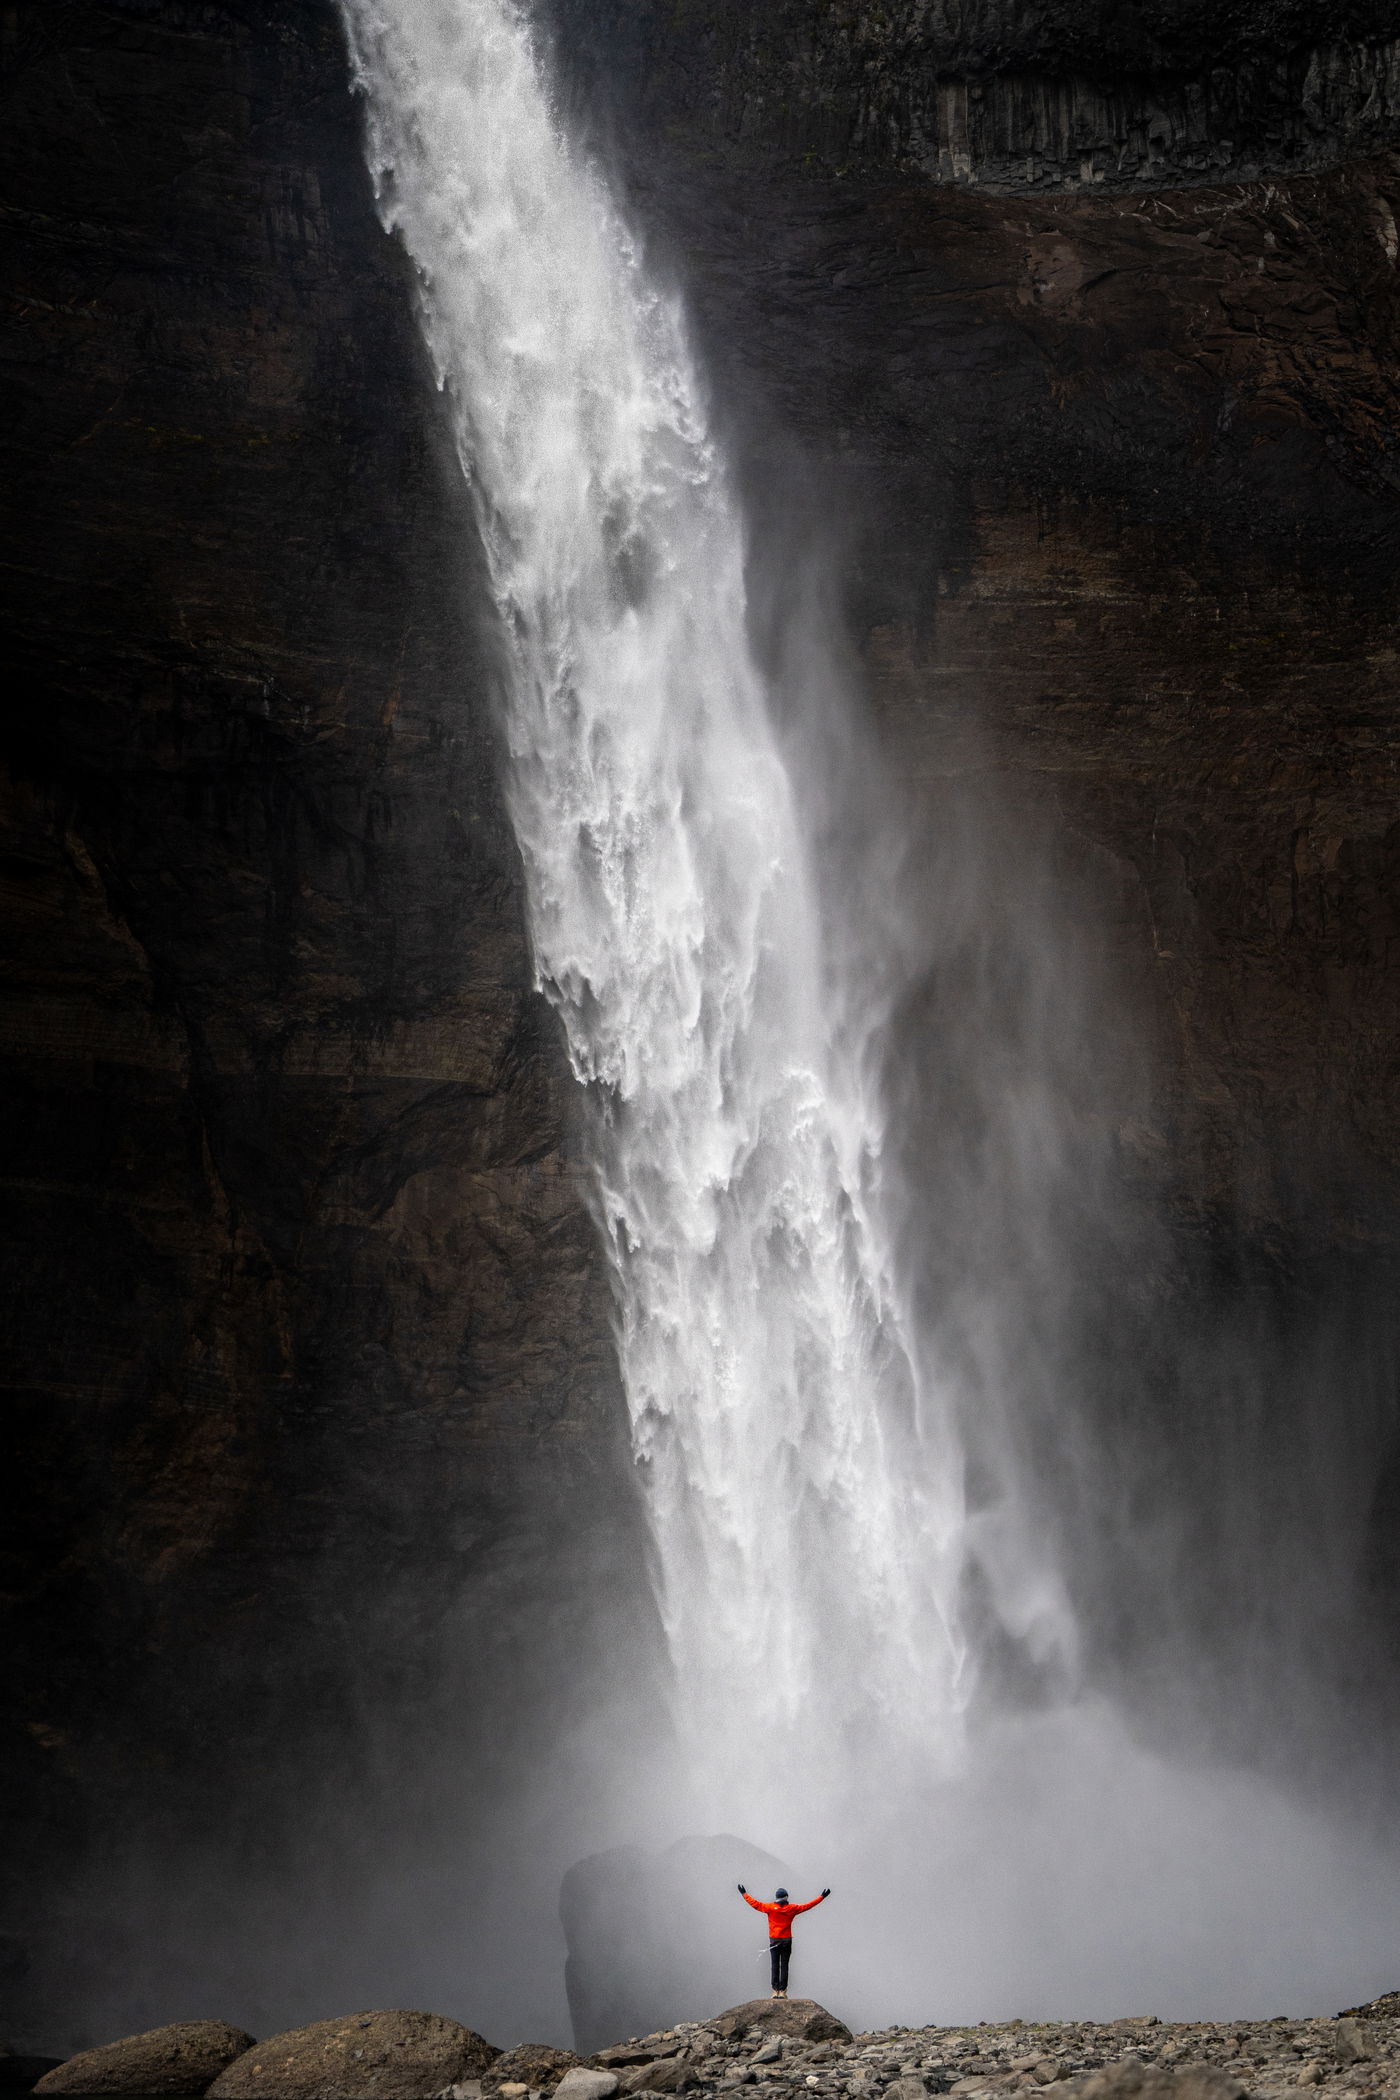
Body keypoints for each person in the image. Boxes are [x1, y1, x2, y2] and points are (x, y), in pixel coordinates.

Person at [737, 1882, 831, 1998]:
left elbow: (755, 1904)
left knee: (774, 1965)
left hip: (774, 1940)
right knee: (784, 1965)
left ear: (776, 1897)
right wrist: (822, 1897)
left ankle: (774, 1991)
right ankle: (782, 1991)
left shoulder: (770, 1908)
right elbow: (808, 1906)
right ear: (786, 1897)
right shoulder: (791, 1909)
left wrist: (744, 1893)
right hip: (786, 1940)